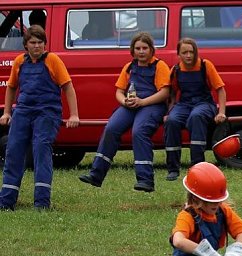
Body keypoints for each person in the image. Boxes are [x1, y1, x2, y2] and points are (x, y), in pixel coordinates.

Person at [79, 32, 171, 192]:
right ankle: (96, 174)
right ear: (132, 50)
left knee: (139, 132)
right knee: (111, 128)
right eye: (138, 48)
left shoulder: (159, 66)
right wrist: (125, 101)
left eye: (144, 48)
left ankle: (145, 180)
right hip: (131, 106)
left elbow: (165, 92)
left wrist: (142, 102)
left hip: (152, 105)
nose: (141, 51)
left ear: (151, 50)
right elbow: (119, 91)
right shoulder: (129, 67)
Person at [0, 25, 79, 210]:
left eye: (40, 43)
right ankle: (6, 201)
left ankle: (42, 202)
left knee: (41, 150)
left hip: (47, 112)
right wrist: (7, 112)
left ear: (45, 44)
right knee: (13, 150)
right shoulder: (19, 61)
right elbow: (11, 87)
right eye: (33, 43)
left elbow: (68, 87)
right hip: (23, 111)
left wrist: (74, 114)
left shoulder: (53, 60)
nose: (37, 46)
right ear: (26, 45)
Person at [163, 38, 227, 181]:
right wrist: (169, 112)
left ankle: (197, 166)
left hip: (204, 103)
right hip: (184, 104)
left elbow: (220, 90)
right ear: (178, 54)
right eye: (184, 52)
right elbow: (172, 93)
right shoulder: (175, 69)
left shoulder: (205, 65)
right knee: (172, 121)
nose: (188, 55)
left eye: (191, 52)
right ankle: (173, 168)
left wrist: (221, 112)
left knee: (196, 117)